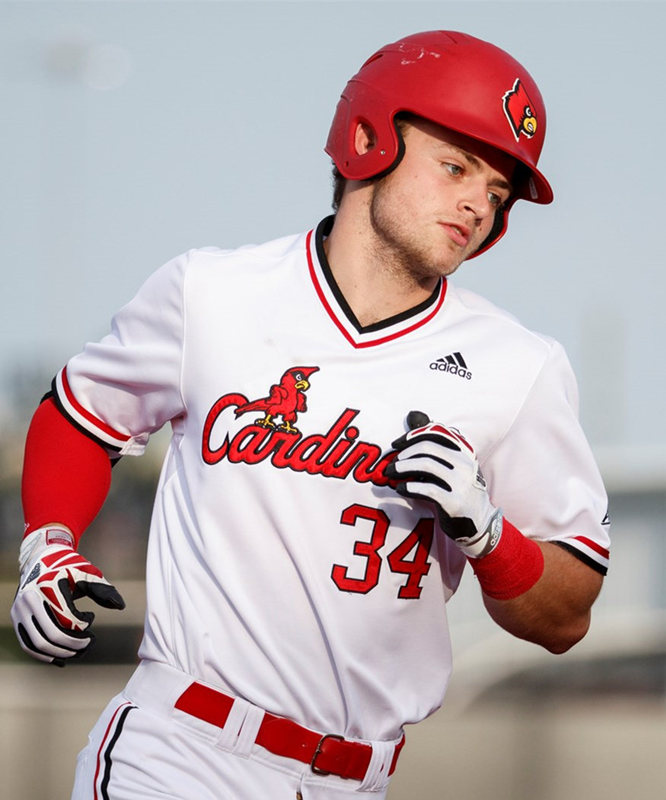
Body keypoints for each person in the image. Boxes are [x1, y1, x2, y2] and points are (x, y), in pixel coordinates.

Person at [10, 30, 610, 800]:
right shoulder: (213, 295)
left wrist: (489, 535)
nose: (477, 204)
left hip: (358, 780)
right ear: (366, 139)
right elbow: (81, 414)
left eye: (497, 193)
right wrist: (48, 545)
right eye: (456, 166)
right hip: (184, 752)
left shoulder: (518, 367)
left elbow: (566, 618)